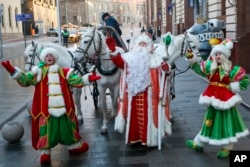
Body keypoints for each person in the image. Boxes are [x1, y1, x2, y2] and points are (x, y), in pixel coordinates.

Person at [1, 47, 101, 164]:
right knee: (47, 131)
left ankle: (74, 146)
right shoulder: (38, 72)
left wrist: (87, 78)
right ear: (44, 58)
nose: (49, 58)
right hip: (46, 110)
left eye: (51, 56)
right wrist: (13, 72)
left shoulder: (64, 72)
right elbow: (25, 80)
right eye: (47, 56)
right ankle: (45, 152)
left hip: (64, 109)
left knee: (67, 129)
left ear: (55, 58)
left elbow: (75, 81)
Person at [184, 39, 250, 158]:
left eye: (220, 54)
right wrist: (191, 59)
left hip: (226, 99)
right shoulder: (210, 67)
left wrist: (233, 86)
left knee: (226, 121)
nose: (218, 56)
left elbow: (245, 80)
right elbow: (198, 69)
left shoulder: (231, 70)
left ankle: (227, 147)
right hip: (213, 97)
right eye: (216, 54)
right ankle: (199, 143)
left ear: (225, 55)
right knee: (208, 121)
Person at [107, 33, 172, 147]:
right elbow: (120, 63)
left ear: (149, 46)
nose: (142, 46)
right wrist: (112, 49)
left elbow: (164, 72)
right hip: (134, 94)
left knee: (150, 118)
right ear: (136, 45)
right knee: (134, 118)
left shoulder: (156, 58)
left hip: (150, 95)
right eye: (140, 43)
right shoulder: (130, 57)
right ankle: (135, 137)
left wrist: (166, 69)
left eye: (145, 44)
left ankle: (150, 139)